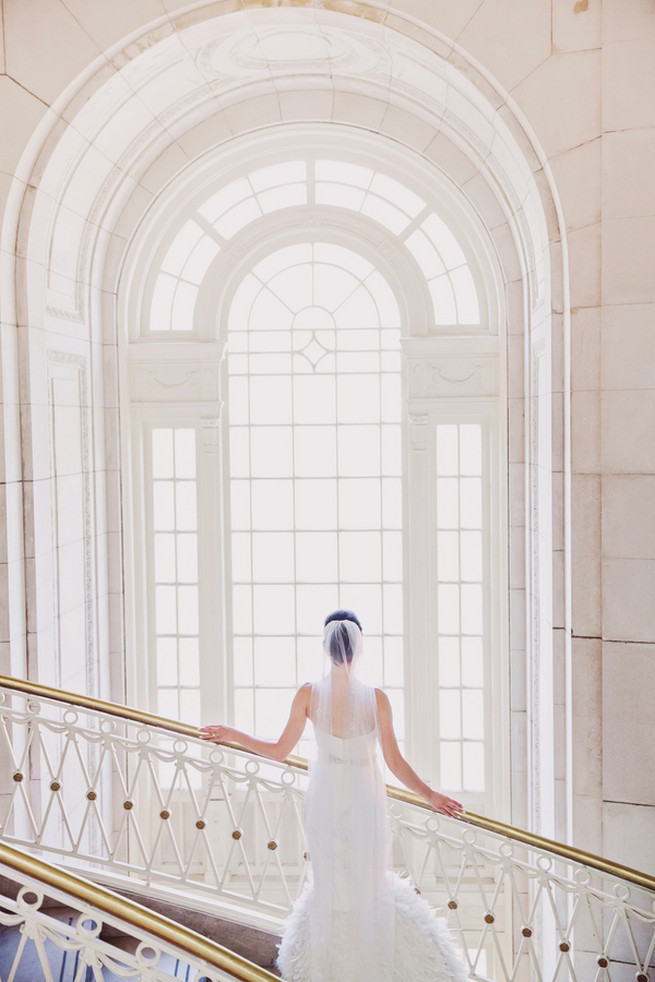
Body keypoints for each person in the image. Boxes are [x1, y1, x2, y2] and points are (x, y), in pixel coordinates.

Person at [200, 610, 468, 982]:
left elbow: (278, 750)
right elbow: (394, 762)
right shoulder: (377, 699)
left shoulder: (309, 694)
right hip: (364, 798)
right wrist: (431, 796)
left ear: (326, 649)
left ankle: (332, 967)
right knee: (368, 880)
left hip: (325, 797)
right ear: (359, 647)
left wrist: (234, 734)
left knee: (332, 882)